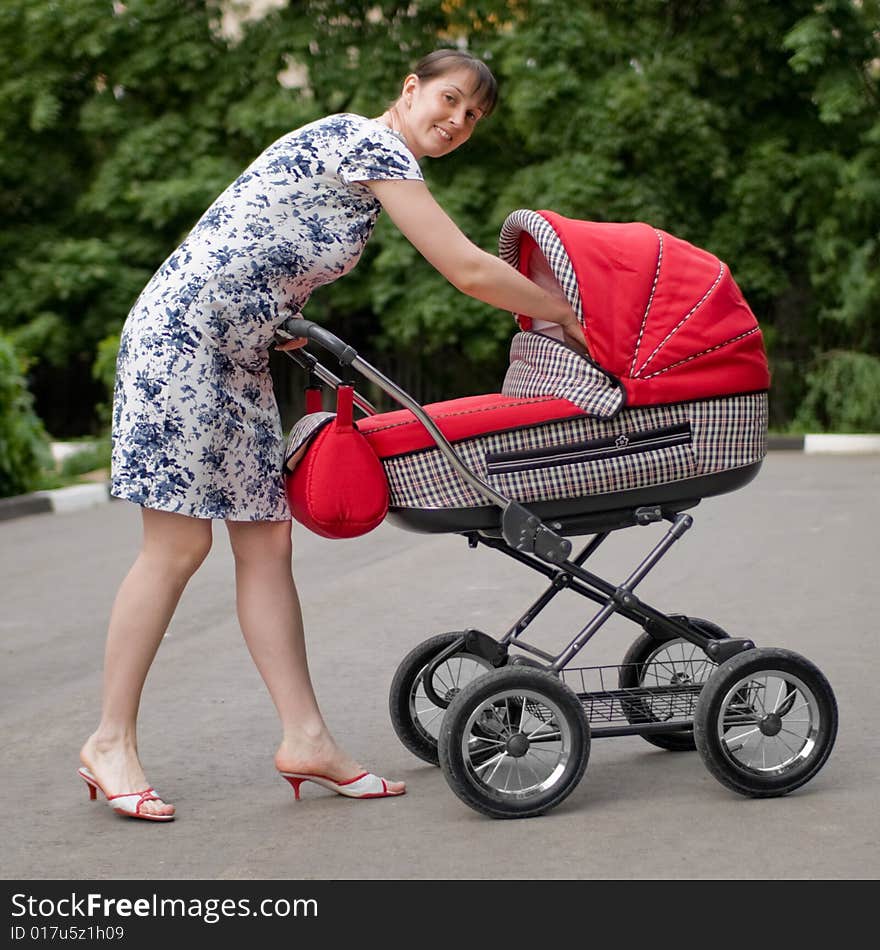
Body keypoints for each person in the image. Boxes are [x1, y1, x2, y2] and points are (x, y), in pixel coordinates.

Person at [78, 48, 582, 821]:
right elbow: (467, 269)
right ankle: (109, 741)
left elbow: (256, 233)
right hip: (182, 343)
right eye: (449, 100)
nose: (456, 122)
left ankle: (306, 737)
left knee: (266, 543)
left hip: (237, 353)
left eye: (473, 118)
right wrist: (567, 315)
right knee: (177, 547)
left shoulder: (369, 164)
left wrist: (272, 315)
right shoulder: (371, 143)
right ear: (409, 90)